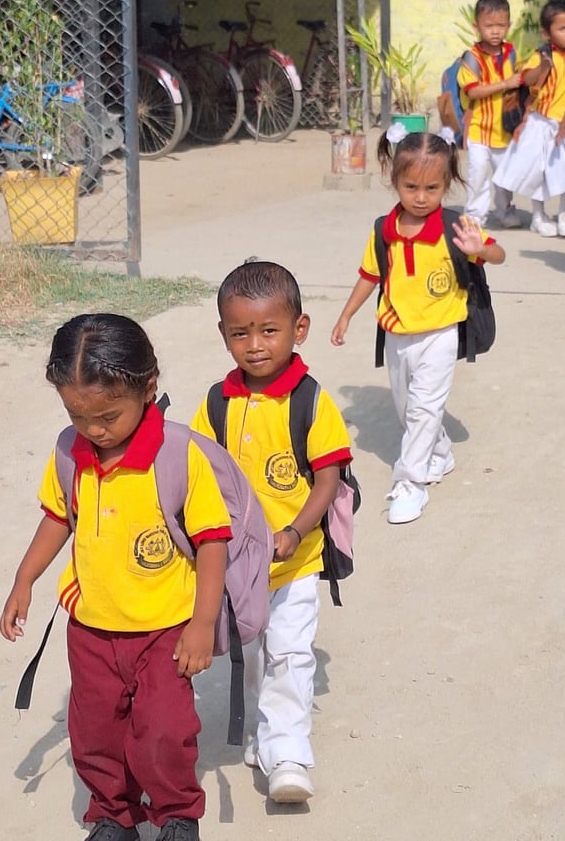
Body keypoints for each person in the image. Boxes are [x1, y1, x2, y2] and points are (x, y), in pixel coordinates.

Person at [0, 314, 232, 841]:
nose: (94, 430)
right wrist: (24, 580)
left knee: (164, 731)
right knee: (95, 733)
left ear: (148, 388)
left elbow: (213, 542)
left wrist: (202, 623)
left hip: (165, 626)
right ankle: (112, 815)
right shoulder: (69, 452)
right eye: (78, 415)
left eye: (107, 415)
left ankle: (176, 815)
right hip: (92, 630)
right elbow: (57, 519)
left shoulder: (178, 456)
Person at [191, 260, 352, 806]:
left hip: (295, 561)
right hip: (239, 568)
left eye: (269, 330)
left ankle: (289, 753)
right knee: (255, 656)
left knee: (290, 652)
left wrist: (295, 529)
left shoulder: (310, 400)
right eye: (240, 333)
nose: (255, 345)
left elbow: (327, 478)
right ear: (224, 335)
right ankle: (269, 730)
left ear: (298, 329)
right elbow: (194, 471)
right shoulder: (217, 403)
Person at [330, 126, 505, 524]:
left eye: (432, 188)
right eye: (411, 187)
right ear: (394, 181)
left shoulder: (455, 227)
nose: (421, 197)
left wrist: (482, 250)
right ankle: (439, 453)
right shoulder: (383, 231)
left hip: (441, 334)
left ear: (447, 184)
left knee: (424, 408)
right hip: (397, 335)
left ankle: (410, 485)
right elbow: (369, 276)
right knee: (409, 408)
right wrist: (346, 315)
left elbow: (499, 254)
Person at [492, 0, 565, 237]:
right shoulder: (541, 55)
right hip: (539, 122)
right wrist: (544, 67)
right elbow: (528, 78)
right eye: (562, 28)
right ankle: (538, 215)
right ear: (547, 33)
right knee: (539, 170)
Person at [457, 0, 523, 228]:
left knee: (505, 176)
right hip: (479, 129)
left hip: (504, 128)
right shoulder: (471, 58)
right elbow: (472, 91)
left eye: (501, 26)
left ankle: (505, 210)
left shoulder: (511, 53)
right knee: (478, 174)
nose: (495, 31)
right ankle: (475, 216)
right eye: (489, 26)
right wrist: (505, 84)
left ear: (509, 25)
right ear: (477, 26)